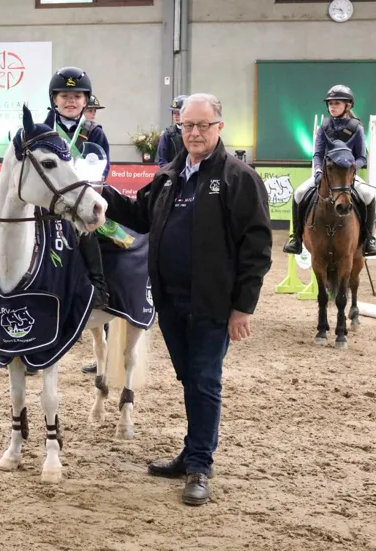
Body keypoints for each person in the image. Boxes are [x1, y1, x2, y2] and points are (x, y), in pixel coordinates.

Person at [101, 93, 272, 506]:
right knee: (190, 380)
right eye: (187, 126)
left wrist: (243, 307)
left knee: (205, 381)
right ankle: (191, 451)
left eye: (202, 125)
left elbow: (257, 247)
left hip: (212, 305)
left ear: (219, 127)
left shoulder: (238, 178)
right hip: (170, 301)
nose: (194, 133)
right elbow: (138, 215)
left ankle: (199, 465)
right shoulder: (168, 176)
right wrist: (97, 190)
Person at [283, 84, 376, 256]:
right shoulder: (324, 127)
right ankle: (296, 238)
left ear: (347, 105)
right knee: (299, 194)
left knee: (368, 195)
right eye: (330, 103)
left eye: (337, 103)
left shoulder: (356, 128)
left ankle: (369, 239)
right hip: (326, 175)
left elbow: (362, 157)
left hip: (347, 176)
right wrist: (318, 170)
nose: (332, 106)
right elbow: (318, 153)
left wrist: (352, 168)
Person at [48, 66, 111, 309]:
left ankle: (98, 285)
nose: (71, 101)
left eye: (76, 96)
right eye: (64, 96)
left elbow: (101, 169)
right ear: (55, 99)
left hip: (81, 196)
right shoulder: (45, 130)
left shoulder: (94, 133)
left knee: (88, 228)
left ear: (86, 100)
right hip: (48, 196)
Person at [155, 94, 187, 168]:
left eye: (178, 113)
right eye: (174, 113)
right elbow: (162, 160)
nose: (175, 116)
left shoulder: (195, 133)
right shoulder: (168, 134)